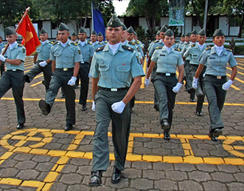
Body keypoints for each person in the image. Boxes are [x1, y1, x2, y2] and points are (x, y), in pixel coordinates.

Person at [88, 15, 144, 187]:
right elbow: (95, 79)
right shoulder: (98, 54)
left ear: (123, 34)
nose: (113, 32)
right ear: (106, 32)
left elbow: (137, 80)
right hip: (103, 96)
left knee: (120, 136)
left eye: (116, 30)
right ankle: (97, 170)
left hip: (121, 97)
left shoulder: (130, 54)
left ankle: (118, 167)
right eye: (110, 29)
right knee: (100, 130)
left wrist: (124, 102)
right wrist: (94, 100)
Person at [192, 29, 237, 142]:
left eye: (222, 38)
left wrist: (230, 81)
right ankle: (218, 126)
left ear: (224, 39)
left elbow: (234, 68)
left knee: (219, 105)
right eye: (218, 38)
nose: (220, 40)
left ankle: (213, 130)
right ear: (213, 40)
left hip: (222, 81)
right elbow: (200, 67)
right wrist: (195, 79)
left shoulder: (228, 53)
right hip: (209, 80)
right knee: (212, 101)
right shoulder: (207, 52)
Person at [38, 23, 82, 131]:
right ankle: (47, 105)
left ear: (67, 34)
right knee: (52, 88)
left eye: (63, 33)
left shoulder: (74, 47)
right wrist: (53, 74)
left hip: (69, 74)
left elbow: (77, 63)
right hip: (58, 73)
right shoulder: (54, 47)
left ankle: (70, 122)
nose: (61, 36)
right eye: (59, 34)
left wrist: (74, 77)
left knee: (70, 100)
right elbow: (53, 62)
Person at [145, 29, 184, 141]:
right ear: (163, 39)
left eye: (171, 39)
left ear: (174, 39)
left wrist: (179, 83)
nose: (169, 41)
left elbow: (181, 70)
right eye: (167, 38)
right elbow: (151, 66)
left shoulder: (177, 53)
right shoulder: (157, 51)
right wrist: (147, 78)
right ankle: (164, 120)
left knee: (170, 106)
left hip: (172, 79)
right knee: (163, 98)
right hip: (159, 78)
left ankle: (167, 130)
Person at [184, 29, 208, 116]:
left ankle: (199, 110)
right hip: (194, 69)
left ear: (205, 38)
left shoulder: (208, 49)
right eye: (200, 37)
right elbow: (184, 55)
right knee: (199, 92)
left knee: (203, 91)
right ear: (198, 38)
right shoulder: (192, 48)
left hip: (204, 70)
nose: (202, 39)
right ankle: (191, 92)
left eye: (203, 37)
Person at [147, 25, 167, 112]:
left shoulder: (171, 43)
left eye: (165, 33)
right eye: (162, 33)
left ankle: (162, 102)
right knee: (157, 84)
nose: (163, 35)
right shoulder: (155, 44)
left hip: (166, 67)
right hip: (156, 67)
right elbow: (150, 54)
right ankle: (157, 102)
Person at [77, 28, 94, 111]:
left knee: (84, 85)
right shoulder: (75, 45)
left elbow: (91, 58)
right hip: (76, 66)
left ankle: (83, 103)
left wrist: (90, 69)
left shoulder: (90, 46)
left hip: (85, 66)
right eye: (79, 34)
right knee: (70, 84)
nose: (81, 36)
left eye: (82, 34)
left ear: (86, 35)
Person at [183, 30, 198, 102]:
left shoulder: (200, 46)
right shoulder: (186, 45)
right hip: (188, 63)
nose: (194, 37)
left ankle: (195, 95)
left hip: (198, 64)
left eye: (195, 36)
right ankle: (190, 89)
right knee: (188, 76)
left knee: (196, 79)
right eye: (193, 36)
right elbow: (182, 54)